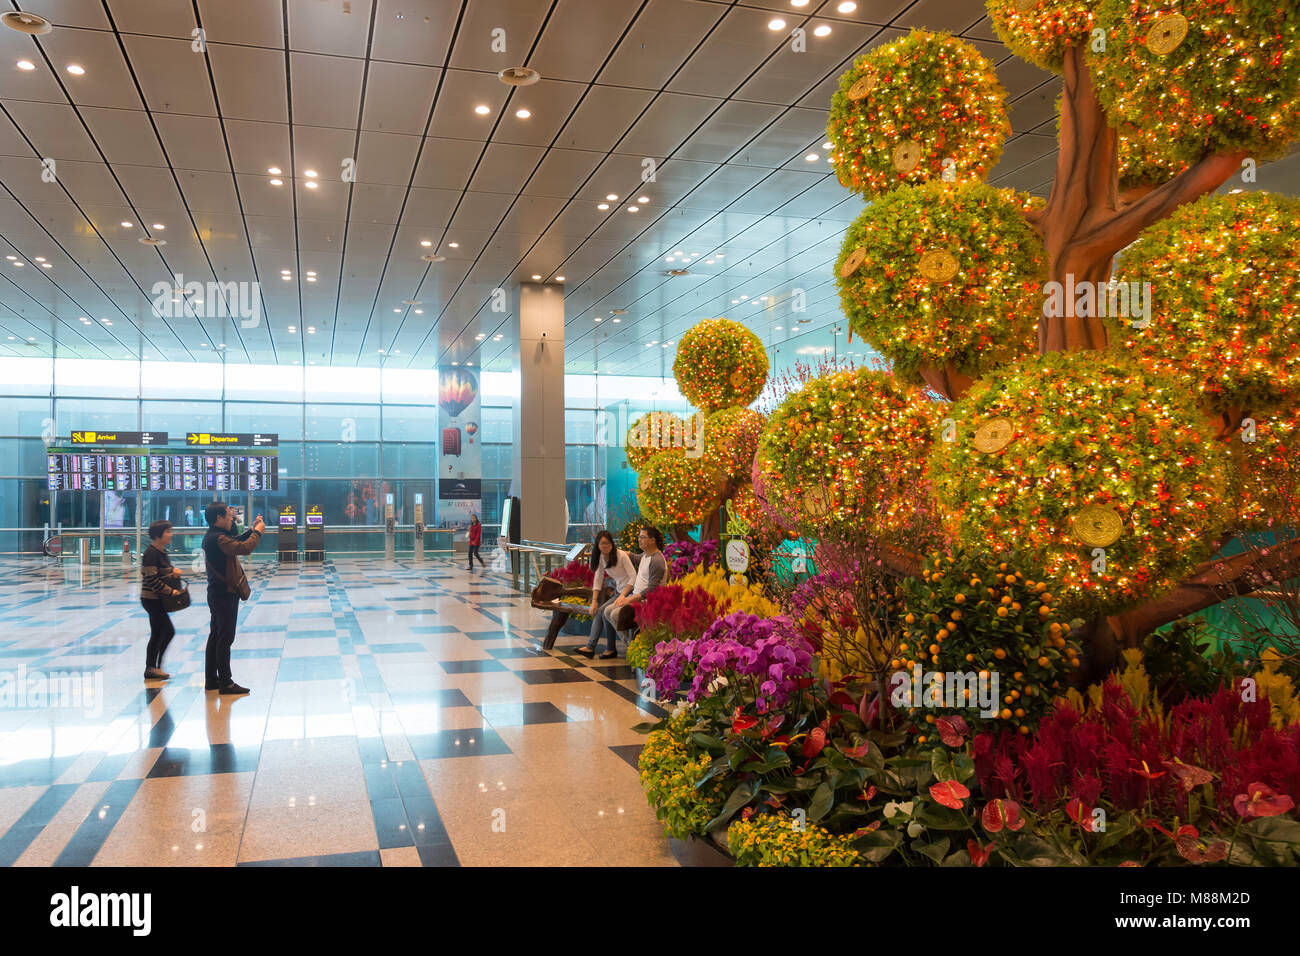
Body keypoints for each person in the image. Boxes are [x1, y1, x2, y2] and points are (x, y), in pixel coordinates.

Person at [202, 501, 264, 696]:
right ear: (219, 518)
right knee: (225, 638)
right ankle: (226, 682)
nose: (232, 519)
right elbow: (244, 548)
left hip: (217, 593)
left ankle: (212, 679)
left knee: (216, 636)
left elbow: (235, 541)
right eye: (229, 516)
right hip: (224, 594)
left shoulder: (214, 536)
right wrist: (258, 533)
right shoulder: (217, 538)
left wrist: (251, 530)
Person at [592, 525, 667, 660]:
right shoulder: (646, 555)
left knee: (614, 613)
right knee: (607, 611)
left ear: (652, 540)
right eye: (639, 537)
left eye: (642, 537)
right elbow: (635, 558)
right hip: (636, 598)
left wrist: (628, 599)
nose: (639, 540)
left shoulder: (657, 561)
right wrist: (624, 553)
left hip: (647, 602)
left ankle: (632, 647)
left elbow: (652, 589)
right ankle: (632, 646)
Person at [572, 530, 636, 658]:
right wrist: (594, 601)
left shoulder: (621, 555)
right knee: (600, 611)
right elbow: (598, 578)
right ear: (598, 545)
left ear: (612, 544)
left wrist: (623, 595)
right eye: (602, 543)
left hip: (630, 592)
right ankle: (608, 648)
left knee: (603, 611)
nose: (605, 546)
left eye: (608, 543)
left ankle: (594, 647)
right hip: (619, 592)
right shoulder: (602, 558)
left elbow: (633, 577)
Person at [140, 520, 182, 680]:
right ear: (158, 535)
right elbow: (151, 579)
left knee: (157, 633)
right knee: (168, 631)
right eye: (168, 532)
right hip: (152, 599)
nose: (171, 535)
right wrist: (171, 591)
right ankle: (155, 666)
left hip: (157, 599)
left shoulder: (162, 551)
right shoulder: (152, 553)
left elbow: (161, 574)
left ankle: (152, 668)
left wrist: (173, 573)